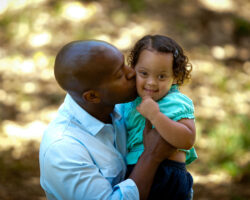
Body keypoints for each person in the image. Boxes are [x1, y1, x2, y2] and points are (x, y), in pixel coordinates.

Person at [39, 40, 177, 200]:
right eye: (120, 75)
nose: (132, 73)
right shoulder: (63, 150)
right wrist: (151, 156)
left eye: (125, 63)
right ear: (92, 96)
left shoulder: (123, 107)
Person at [123, 35, 198, 200]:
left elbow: (187, 139)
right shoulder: (127, 102)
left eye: (161, 76)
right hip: (133, 172)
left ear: (175, 77)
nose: (151, 82)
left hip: (168, 173)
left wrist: (155, 116)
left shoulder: (176, 102)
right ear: (133, 69)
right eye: (144, 73)